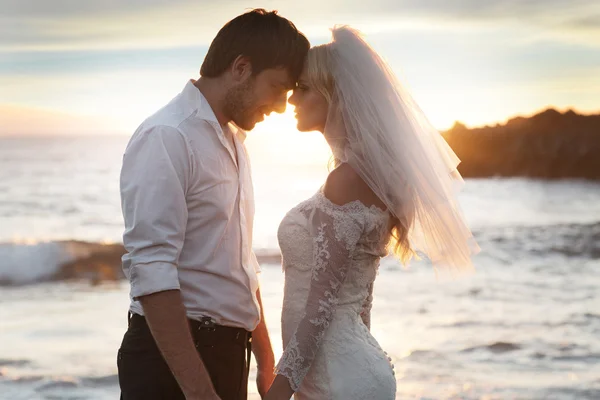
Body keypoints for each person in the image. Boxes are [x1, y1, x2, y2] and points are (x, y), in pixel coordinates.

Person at [264, 26, 478, 400]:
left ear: (335, 96)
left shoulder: (346, 180)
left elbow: (322, 301)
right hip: (350, 370)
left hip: (338, 378)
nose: (292, 99)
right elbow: (361, 298)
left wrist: (281, 388)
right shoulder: (369, 178)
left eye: (303, 88)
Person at [117, 9, 309, 400]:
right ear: (241, 67)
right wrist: (200, 392)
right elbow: (152, 268)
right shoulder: (168, 136)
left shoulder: (235, 142)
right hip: (173, 363)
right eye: (277, 87)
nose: (280, 106)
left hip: (225, 354)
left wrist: (265, 359)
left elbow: (238, 263)